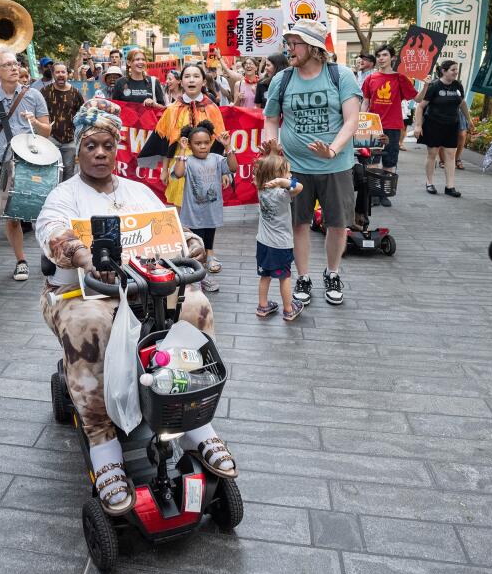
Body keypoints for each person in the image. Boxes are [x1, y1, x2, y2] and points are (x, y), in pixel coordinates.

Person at [36, 99, 237, 516]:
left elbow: (172, 231)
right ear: (79, 148)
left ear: (117, 148)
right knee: (89, 325)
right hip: (83, 294)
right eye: (91, 145)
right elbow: (55, 234)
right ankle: (104, 446)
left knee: (195, 305)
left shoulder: (138, 191)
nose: (99, 153)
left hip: (144, 291)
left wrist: (192, 246)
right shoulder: (63, 195)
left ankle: (194, 421)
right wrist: (83, 255)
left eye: (107, 145)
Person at [262, 18, 361, 307]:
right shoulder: (283, 79)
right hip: (295, 167)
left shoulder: (340, 76)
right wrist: (271, 141)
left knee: (337, 224)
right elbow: (271, 118)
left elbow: (352, 120)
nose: (289, 49)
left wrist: (332, 149)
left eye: (295, 44)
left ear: (314, 47)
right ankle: (303, 277)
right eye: (288, 43)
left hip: (336, 165)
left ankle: (332, 273)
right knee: (299, 224)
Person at [0, 50, 51, 281]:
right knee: (12, 216)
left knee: (42, 211)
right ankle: (21, 260)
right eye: (8, 65)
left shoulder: (34, 96)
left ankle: (50, 254)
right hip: (5, 162)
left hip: (34, 160)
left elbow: (47, 131)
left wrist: (35, 122)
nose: (15, 68)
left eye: (16, 63)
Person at [137, 63, 225, 211]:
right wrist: (164, 169)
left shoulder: (212, 108)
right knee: (181, 210)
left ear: (203, 82)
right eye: (187, 76)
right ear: (181, 82)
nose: (191, 80)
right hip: (180, 164)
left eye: (196, 76)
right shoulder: (172, 110)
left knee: (204, 211)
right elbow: (165, 142)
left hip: (207, 168)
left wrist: (223, 171)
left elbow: (220, 142)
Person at [172, 121, 236, 292]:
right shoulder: (188, 161)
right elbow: (178, 173)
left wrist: (228, 146)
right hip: (193, 213)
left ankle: (206, 263)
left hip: (211, 210)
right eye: (198, 143)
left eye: (206, 143)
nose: (202, 146)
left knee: (209, 236)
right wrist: (183, 151)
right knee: (196, 244)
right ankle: (199, 276)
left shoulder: (216, 159)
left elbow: (233, 167)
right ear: (191, 145)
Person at [360, 44, 417, 207]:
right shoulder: (370, 78)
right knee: (372, 160)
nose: (381, 58)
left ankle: (385, 192)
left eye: (384, 55)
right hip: (373, 126)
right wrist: (360, 120)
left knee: (390, 160)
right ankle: (373, 193)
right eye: (378, 56)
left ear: (392, 57)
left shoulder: (400, 78)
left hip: (392, 125)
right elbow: (365, 101)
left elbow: (417, 99)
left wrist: (426, 84)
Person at [253, 152, 304, 321]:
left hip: (263, 242)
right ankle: (289, 309)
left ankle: (262, 306)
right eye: (287, 173)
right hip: (281, 245)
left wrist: (272, 153)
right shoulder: (282, 194)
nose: (290, 176)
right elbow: (299, 187)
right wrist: (284, 182)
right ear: (278, 178)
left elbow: (261, 167)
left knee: (265, 275)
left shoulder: (260, 189)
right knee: (285, 277)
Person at [414, 60, 470, 197]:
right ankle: (429, 182)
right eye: (453, 70)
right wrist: (418, 125)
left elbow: (462, 103)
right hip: (433, 124)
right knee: (432, 153)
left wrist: (469, 119)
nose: (456, 72)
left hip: (452, 125)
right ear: (444, 71)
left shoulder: (457, 85)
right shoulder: (434, 86)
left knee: (450, 155)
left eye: (456, 70)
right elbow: (420, 106)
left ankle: (450, 186)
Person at [42, 61, 85, 181]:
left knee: (68, 172)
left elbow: (82, 114)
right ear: (53, 74)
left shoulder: (76, 93)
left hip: (70, 140)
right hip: (50, 138)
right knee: (50, 171)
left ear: (67, 74)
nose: (60, 74)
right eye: (57, 72)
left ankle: (65, 198)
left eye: (63, 72)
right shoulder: (44, 92)